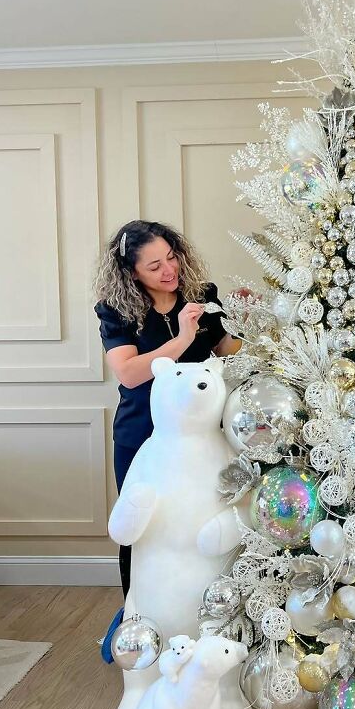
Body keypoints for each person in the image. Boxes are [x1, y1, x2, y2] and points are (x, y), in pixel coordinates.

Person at [94, 220, 240, 601]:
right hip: (141, 436)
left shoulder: (202, 296)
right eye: (154, 266)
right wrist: (183, 339)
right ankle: (138, 614)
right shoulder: (116, 310)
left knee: (203, 523)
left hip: (203, 439)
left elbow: (227, 351)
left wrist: (245, 320)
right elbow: (129, 373)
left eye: (172, 257)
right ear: (132, 273)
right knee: (142, 528)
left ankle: (202, 613)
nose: (169, 270)